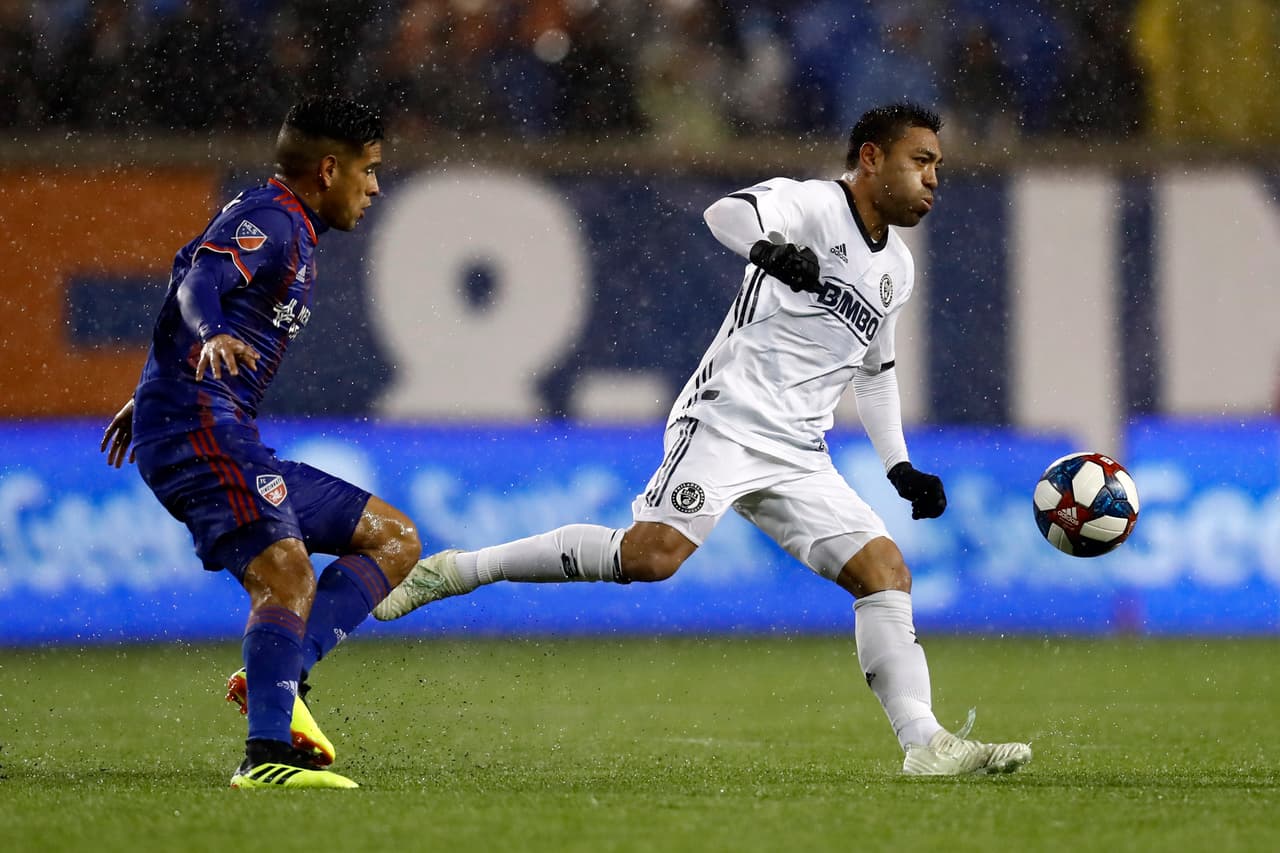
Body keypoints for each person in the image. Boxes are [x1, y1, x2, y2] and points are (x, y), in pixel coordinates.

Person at [376, 102, 1032, 776]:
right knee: (652, 557)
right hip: (726, 417)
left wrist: (899, 465)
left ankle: (924, 743)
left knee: (885, 572)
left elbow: (876, 371)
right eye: (921, 161)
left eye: (938, 168)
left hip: (800, 452)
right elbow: (725, 213)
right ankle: (455, 570)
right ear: (871, 158)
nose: (933, 179)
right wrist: (769, 250)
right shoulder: (809, 204)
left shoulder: (897, 267)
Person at [101, 95, 420, 789]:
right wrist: (202, 344)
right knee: (287, 572)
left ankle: (280, 670)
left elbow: (185, 275)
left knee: (394, 540)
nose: (375, 187)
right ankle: (269, 749)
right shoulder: (270, 219)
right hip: (199, 427)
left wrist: (152, 385)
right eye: (367, 171)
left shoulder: (290, 226)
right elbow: (199, 281)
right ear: (328, 168)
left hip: (205, 422)